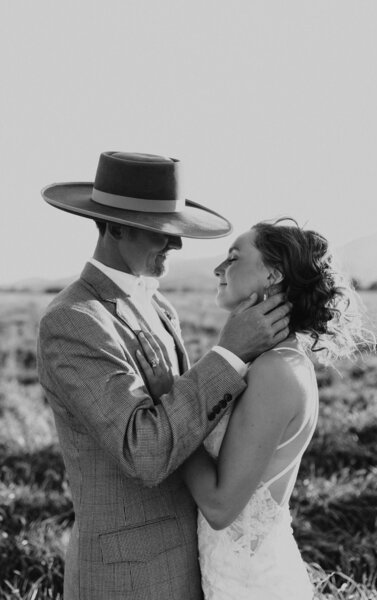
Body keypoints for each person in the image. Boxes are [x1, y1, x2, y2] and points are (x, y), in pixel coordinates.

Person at [37, 152, 291, 600]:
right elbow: (146, 452)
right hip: (126, 580)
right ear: (114, 225)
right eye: (162, 231)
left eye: (177, 231)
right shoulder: (73, 321)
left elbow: (185, 418)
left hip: (194, 567)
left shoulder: (160, 307)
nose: (176, 245)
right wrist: (229, 354)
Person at [139, 218, 370, 600]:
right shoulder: (265, 360)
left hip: (252, 586)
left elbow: (219, 505)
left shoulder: (276, 371)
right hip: (229, 577)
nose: (218, 268)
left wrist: (171, 401)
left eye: (233, 258)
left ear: (273, 275)